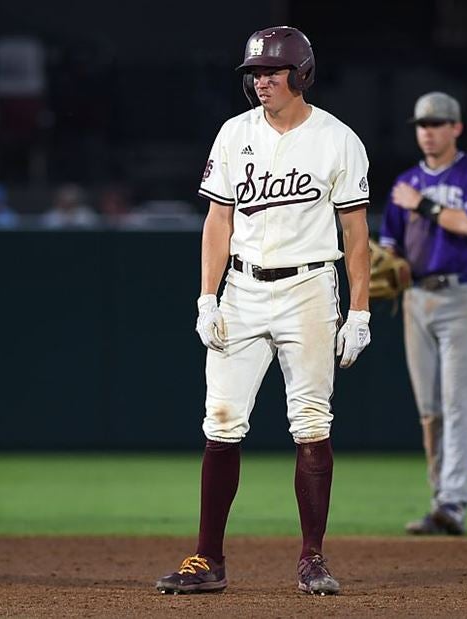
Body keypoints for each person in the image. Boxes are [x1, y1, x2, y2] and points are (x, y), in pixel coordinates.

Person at [155, 26, 372, 596]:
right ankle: (208, 560)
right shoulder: (234, 134)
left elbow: (356, 232)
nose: (261, 82)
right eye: (254, 73)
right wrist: (207, 297)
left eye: (273, 71)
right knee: (221, 421)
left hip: (308, 289)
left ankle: (312, 558)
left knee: (310, 421)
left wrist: (360, 311)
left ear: (301, 75)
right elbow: (218, 221)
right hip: (243, 290)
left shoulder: (337, 139)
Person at [378, 91, 467, 536]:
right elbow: (389, 242)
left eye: (436, 124)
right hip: (416, 298)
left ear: (456, 128)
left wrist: (423, 204)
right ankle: (439, 503)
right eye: (422, 125)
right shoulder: (405, 181)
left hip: (463, 298)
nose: (427, 132)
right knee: (429, 409)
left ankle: (453, 503)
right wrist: (389, 261)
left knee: (456, 403)